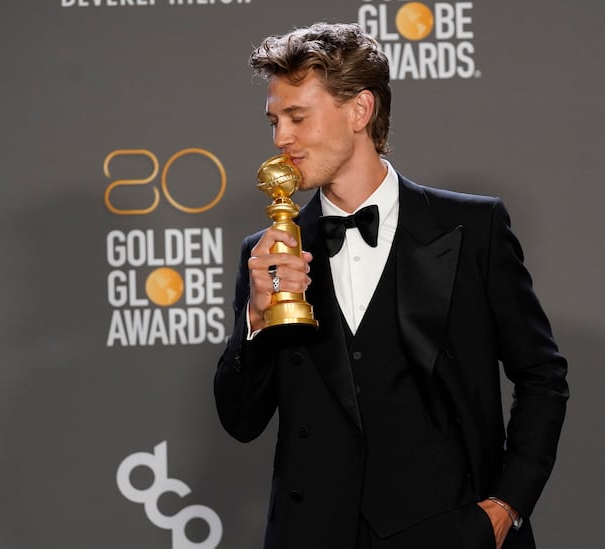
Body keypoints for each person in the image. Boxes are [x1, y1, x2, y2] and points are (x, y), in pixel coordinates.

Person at [215, 22, 568, 549]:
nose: (280, 138)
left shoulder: (473, 228)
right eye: (274, 120)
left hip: (451, 532)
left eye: (297, 117)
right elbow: (241, 421)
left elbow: (542, 376)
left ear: (360, 110)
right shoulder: (267, 251)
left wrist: (504, 507)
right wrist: (256, 323)